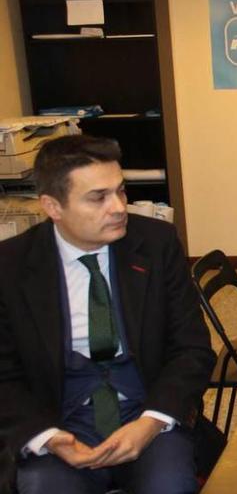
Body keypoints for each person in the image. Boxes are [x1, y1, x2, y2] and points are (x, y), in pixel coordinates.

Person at [0, 135, 217, 493]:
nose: (118, 207)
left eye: (121, 191)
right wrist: (50, 437)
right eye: (98, 198)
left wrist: (151, 422)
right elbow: (4, 376)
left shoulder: (157, 243)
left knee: (169, 485)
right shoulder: (10, 265)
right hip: (59, 419)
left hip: (145, 411)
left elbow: (192, 349)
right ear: (52, 207)